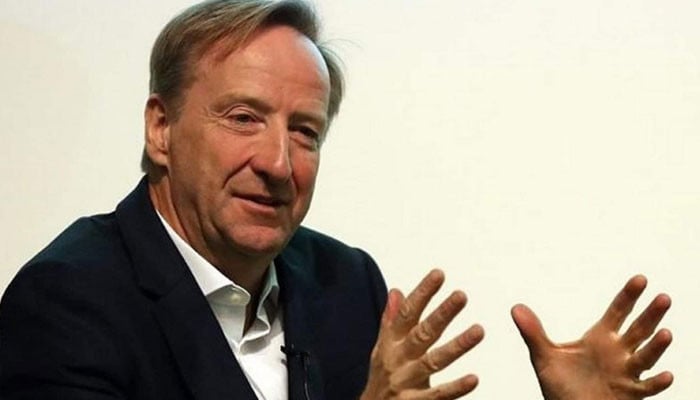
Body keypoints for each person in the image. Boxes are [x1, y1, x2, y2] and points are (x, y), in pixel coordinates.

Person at [0, 1, 673, 399]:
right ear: (161, 129)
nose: (278, 163)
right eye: (243, 118)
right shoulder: (66, 302)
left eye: (305, 132)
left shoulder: (345, 283)